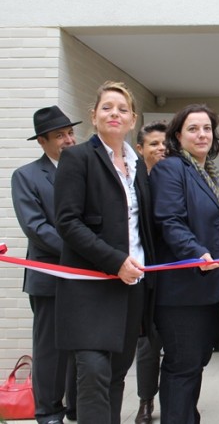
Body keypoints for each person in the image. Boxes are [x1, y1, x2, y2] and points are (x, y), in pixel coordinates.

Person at [53, 81, 156, 424]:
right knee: (94, 373)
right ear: (93, 116)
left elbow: (144, 227)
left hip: (131, 288)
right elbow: (68, 222)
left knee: (115, 374)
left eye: (123, 109)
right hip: (90, 289)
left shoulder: (138, 165)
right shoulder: (77, 157)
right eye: (107, 107)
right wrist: (115, 261)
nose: (115, 113)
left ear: (133, 120)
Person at [149, 104, 219, 424]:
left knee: (195, 363)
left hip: (208, 287)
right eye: (193, 128)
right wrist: (196, 252)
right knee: (182, 366)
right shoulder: (170, 169)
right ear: (178, 135)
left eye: (207, 128)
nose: (202, 134)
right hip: (182, 289)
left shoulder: (210, 172)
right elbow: (169, 221)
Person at [11, 105, 80, 424]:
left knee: (81, 348)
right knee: (52, 350)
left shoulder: (85, 170)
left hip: (86, 278)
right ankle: (48, 412)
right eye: (59, 136)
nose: (68, 140)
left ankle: (78, 408)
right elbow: (36, 228)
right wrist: (84, 251)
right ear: (42, 141)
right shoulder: (26, 176)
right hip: (50, 277)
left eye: (70, 133)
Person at [133, 121, 167, 424]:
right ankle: (146, 401)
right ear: (140, 148)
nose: (160, 149)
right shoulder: (134, 181)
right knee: (148, 344)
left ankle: (176, 398)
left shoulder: (176, 176)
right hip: (147, 274)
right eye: (154, 144)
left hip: (178, 272)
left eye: (165, 144)